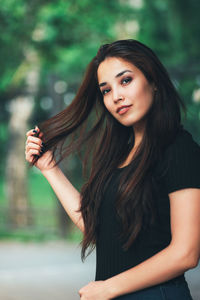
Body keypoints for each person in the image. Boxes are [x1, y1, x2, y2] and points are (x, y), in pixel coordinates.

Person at [25, 39, 200, 300]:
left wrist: (108, 287)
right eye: (106, 90)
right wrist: (49, 168)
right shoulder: (117, 155)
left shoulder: (178, 147)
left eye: (126, 80)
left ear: (153, 81)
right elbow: (100, 229)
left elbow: (186, 252)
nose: (116, 95)